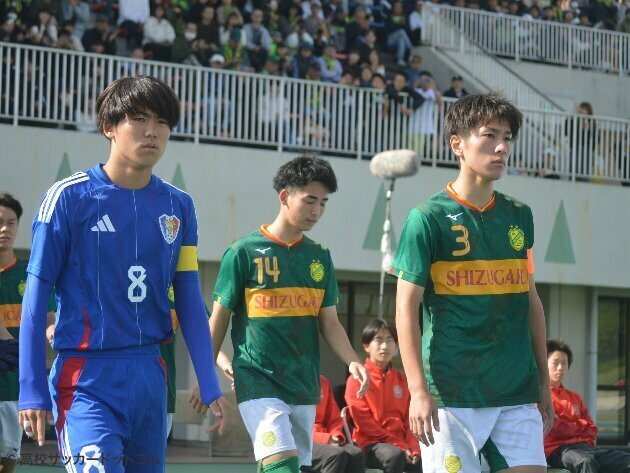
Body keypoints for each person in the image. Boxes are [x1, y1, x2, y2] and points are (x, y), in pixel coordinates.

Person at [18, 76, 228, 473]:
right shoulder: (68, 198)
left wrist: (209, 378)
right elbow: (35, 296)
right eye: (139, 118)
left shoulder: (179, 205)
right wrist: (31, 389)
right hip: (85, 379)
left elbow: (187, 296)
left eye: (162, 121)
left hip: (151, 376)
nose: (153, 131)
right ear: (109, 127)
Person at [391, 92, 554, 473]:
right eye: (489, 135)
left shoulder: (519, 215)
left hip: (515, 390)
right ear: (457, 144)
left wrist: (543, 383)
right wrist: (417, 391)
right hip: (451, 394)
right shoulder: (426, 218)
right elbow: (405, 310)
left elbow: (531, 300)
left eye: (509, 137)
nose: (502, 147)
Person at [189, 155, 369, 473]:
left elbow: (330, 322)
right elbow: (218, 320)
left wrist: (353, 360)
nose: (317, 211)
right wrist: (206, 376)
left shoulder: (319, 257)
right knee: (282, 464)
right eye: (310, 200)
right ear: (285, 196)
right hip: (258, 380)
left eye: (324, 203)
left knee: (287, 466)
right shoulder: (242, 252)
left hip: (303, 384)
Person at [0, 194, 55, 473]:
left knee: (7, 464)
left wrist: (56, 333)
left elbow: (48, 320)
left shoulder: (29, 274)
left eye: (11, 223)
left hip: (13, 390)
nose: (5, 229)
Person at [345, 319, 421, 473]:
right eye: (378, 340)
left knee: (422, 457)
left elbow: (410, 419)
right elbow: (364, 423)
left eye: (390, 340)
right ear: (366, 346)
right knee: (395, 455)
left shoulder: (403, 379)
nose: (385, 346)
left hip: (401, 443)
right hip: (369, 443)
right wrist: (399, 444)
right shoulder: (357, 379)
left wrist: (413, 446)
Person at [545, 339, 630, 473]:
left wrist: (569, 424)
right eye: (556, 363)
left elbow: (592, 428)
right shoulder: (542, 397)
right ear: (544, 365)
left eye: (564, 363)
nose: (560, 367)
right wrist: (580, 424)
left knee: (625, 460)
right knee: (585, 462)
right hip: (559, 450)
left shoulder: (575, 397)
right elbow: (554, 429)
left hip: (587, 447)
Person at [307, 375, 365, 473]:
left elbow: (334, 418)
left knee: (356, 454)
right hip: (299, 441)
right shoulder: (288, 381)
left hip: (326, 438)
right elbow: (291, 426)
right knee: (335, 455)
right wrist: (324, 438)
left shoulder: (322, 382)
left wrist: (336, 435)